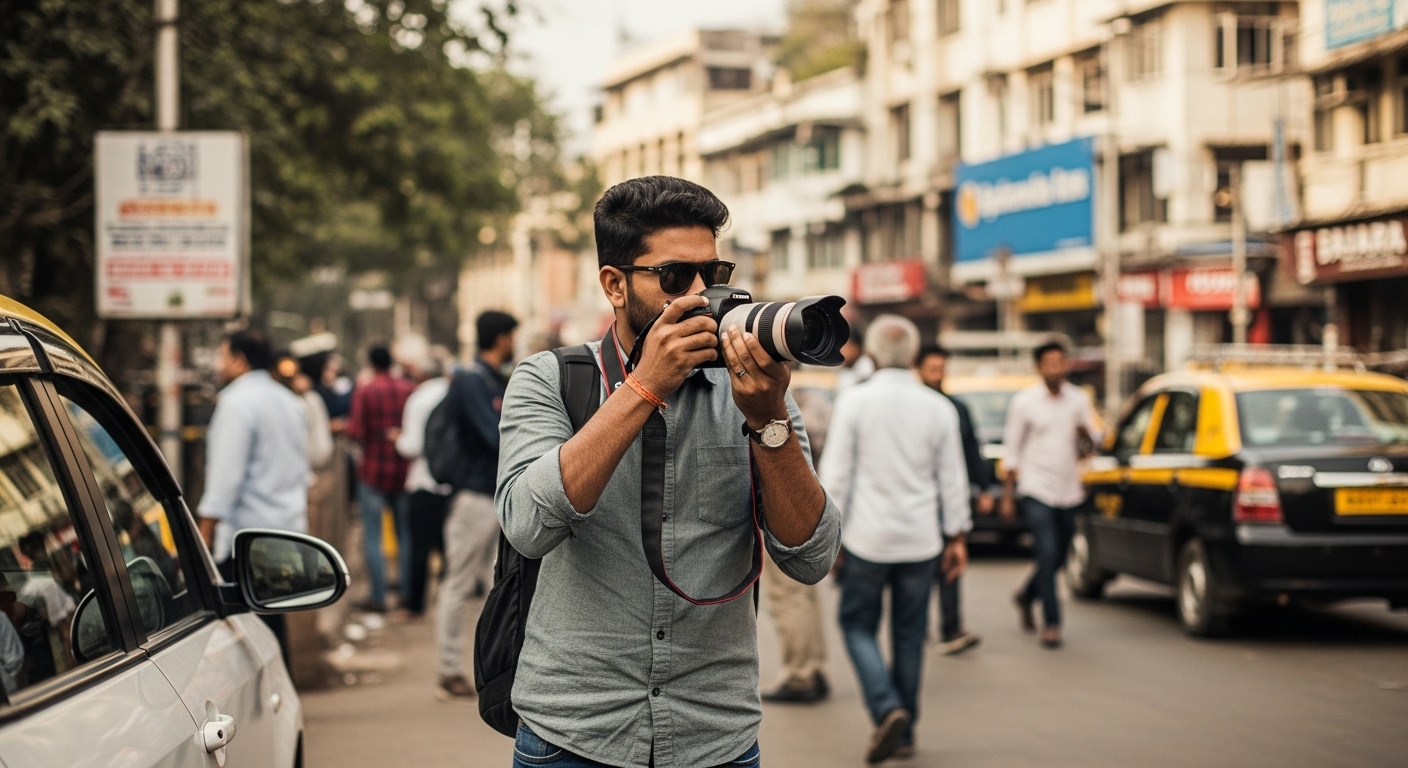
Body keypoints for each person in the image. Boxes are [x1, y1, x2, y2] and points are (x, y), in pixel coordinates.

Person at [497, 176, 840, 768]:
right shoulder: (547, 380)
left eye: (716, 273)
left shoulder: (753, 391)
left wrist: (768, 422)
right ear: (614, 284)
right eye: (677, 277)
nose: (704, 294)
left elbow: (811, 558)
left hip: (714, 735)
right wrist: (644, 388)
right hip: (574, 733)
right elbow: (528, 527)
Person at [819, 315, 971, 764]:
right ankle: (904, 733)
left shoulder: (855, 402)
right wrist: (956, 537)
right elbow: (952, 480)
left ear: (874, 353)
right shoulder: (937, 407)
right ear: (913, 356)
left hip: (867, 539)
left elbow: (836, 476)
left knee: (856, 625)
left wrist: (831, 536)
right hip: (922, 541)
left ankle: (887, 708)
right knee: (909, 636)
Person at [197, 329, 310, 660]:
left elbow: (224, 482)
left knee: (248, 637)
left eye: (222, 355)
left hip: (245, 540)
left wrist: (204, 536)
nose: (219, 363)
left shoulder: (236, 402)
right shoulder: (290, 401)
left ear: (239, 360)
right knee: (271, 624)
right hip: (286, 531)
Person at [433, 311, 518, 701]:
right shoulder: (472, 381)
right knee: (459, 583)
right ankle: (449, 669)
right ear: (500, 338)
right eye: (510, 336)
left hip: (493, 495)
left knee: (495, 584)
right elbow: (495, 435)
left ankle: (494, 669)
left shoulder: (491, 379)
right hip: (474, 496)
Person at [1000, 340, 1102, 649]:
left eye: (1060, 361)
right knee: (1046, 551)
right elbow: (1011, 449)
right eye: (1049, 362)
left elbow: (1093, 440)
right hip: (1036, 487)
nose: (1055, 367)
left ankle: (1027, 594)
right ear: (1039, 367)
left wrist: (1089, 437)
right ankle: (1052, 622)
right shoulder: (1025, 402)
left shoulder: (1078, 400)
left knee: (1059, 553)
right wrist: (1008, 494)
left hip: (1068, 489)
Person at [916, 344, 993, 656]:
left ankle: (952, 628)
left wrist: (984, 487)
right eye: (932, 368)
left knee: (951, 559)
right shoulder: (913, 405)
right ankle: (915, 625)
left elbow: (972, 450)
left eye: (941, 368)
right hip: (918, 498)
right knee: (920, 565)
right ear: (919, 369)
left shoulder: (956, 408)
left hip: (949, 497)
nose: (938, 374)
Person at [346, 345, 416, 614]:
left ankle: (379, 596)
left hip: (373, 471)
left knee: (373, 537)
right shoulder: (409, 389)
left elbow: (355, 431)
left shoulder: (366, 391)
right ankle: (406, 592)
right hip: (403, 471)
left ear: (371, 364)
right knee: (404, 535)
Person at [394, 349, 453, 619]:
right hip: (452, 483)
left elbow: (412, 445)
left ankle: (416, 603)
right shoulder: (453, 393)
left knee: (418, 546)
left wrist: (396, 438)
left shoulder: (418, 398)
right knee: (449, 544)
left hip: (423, 481)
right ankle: (450, 596)